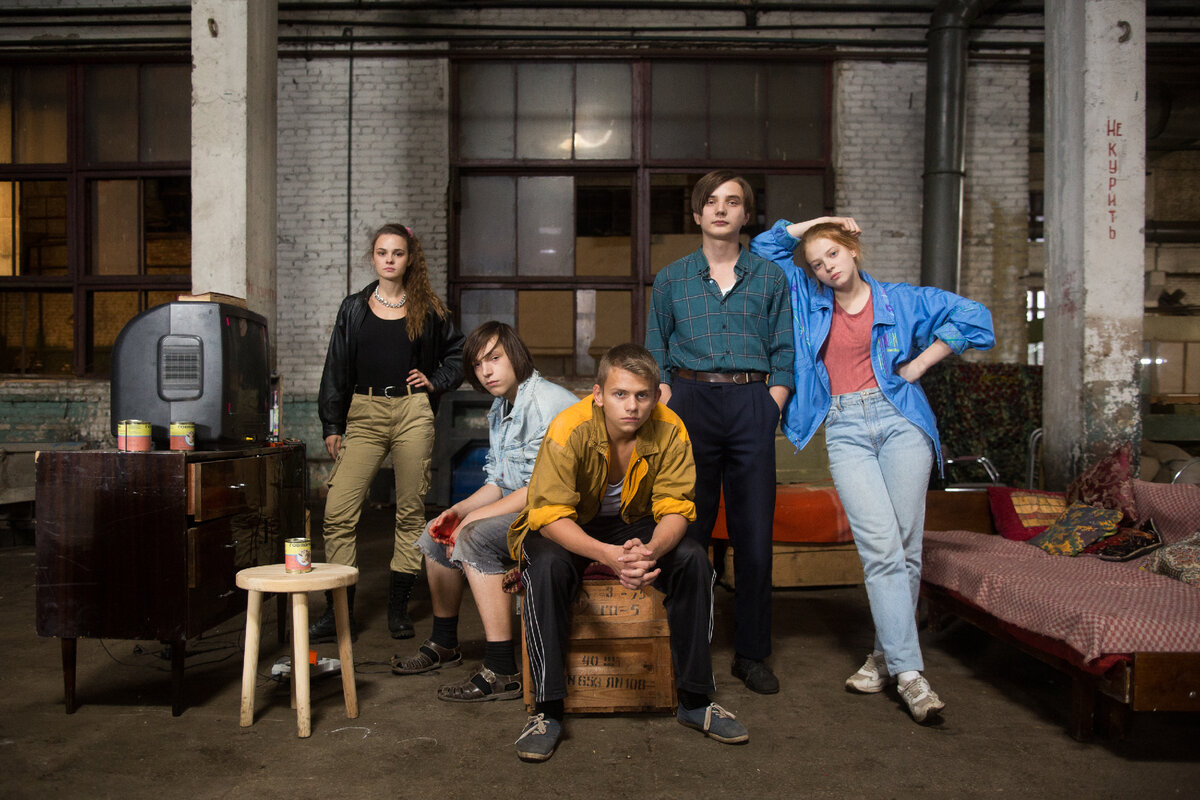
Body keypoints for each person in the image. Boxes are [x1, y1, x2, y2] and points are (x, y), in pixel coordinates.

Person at [750, 216, 994, 723]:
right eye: (817, 263)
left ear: (853, 250)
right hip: (844, 428)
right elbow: (763, 248)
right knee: (881, 548)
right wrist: (818, 223)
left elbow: (975, 316)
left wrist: (919, 365)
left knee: (904, 549)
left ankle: (885, 658)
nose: (827, 268)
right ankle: (910, 675)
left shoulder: (900, 300)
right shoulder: (806, 297)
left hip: (901, 420)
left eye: (833, 254)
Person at [508, 343, 749, 763]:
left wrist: (650, 550)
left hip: (636, 523)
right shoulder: (568, 429)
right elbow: (548, 515)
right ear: (598, 394)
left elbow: (676, 508)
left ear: (656, 396)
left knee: (693, 559)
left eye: (642, 395)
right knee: (544, 566)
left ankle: (695, 701)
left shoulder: (671, 428)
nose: (632, 406)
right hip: (571, 524)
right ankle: (546, 710)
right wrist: (607, 554)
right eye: (620, 394)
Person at [645, 170, 794, 695]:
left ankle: (751, 654)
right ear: (697, 213)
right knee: (688, 532)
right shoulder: (671, 279)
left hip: (752, 401)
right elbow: (656, 351)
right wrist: (668, 401)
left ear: (746, 215)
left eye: (732, 202)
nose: (721, 209)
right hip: (690, 402)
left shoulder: (770, 277)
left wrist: (771, 404)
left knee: (754, 535)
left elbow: (784, 349)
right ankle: (688, 650)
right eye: (711, 201)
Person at [390, 321, 577, 703]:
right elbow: (499, 481)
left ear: (516, 356)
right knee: (437, 530)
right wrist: (457, 511)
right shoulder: (502, 406)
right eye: (477, 364)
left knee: (474, 537)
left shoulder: (545, 403)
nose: (486, 371)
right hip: (528, 506)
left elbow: (542, 490)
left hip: (560, 515)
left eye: (494, 358)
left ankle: (502, 670)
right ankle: (444, 642)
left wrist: (474, 521)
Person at [313, 223, 464, 642]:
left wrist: (435, 380)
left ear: (409, 258)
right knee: (338, 511)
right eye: (383, 253)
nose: (390, 260)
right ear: (374, 257)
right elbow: (335, 367)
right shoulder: (353, 308)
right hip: (364, 413)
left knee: (410, 512)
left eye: (398, 253)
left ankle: (397, 609)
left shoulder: (428, 308)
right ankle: (337, 611)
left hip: (412, 411)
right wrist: (332, 424)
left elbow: (458, 354)